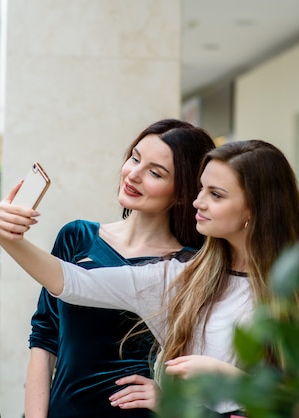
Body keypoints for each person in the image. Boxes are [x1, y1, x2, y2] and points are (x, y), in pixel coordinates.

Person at [0, 140, 299, 416]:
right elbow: (72, 283)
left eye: (215, 195)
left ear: (256, 209)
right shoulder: (184, 277)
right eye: (201, 189)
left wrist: (231, 381)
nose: (198, 201)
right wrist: (5, 236)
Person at [23, 119, 216, 418]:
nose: (133, 174)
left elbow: (204, 360)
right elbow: (44, 337)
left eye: (155, 172)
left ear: (182, 192)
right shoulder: (77, 237)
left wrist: (168, 399)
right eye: (135, 158)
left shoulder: (190, 266)